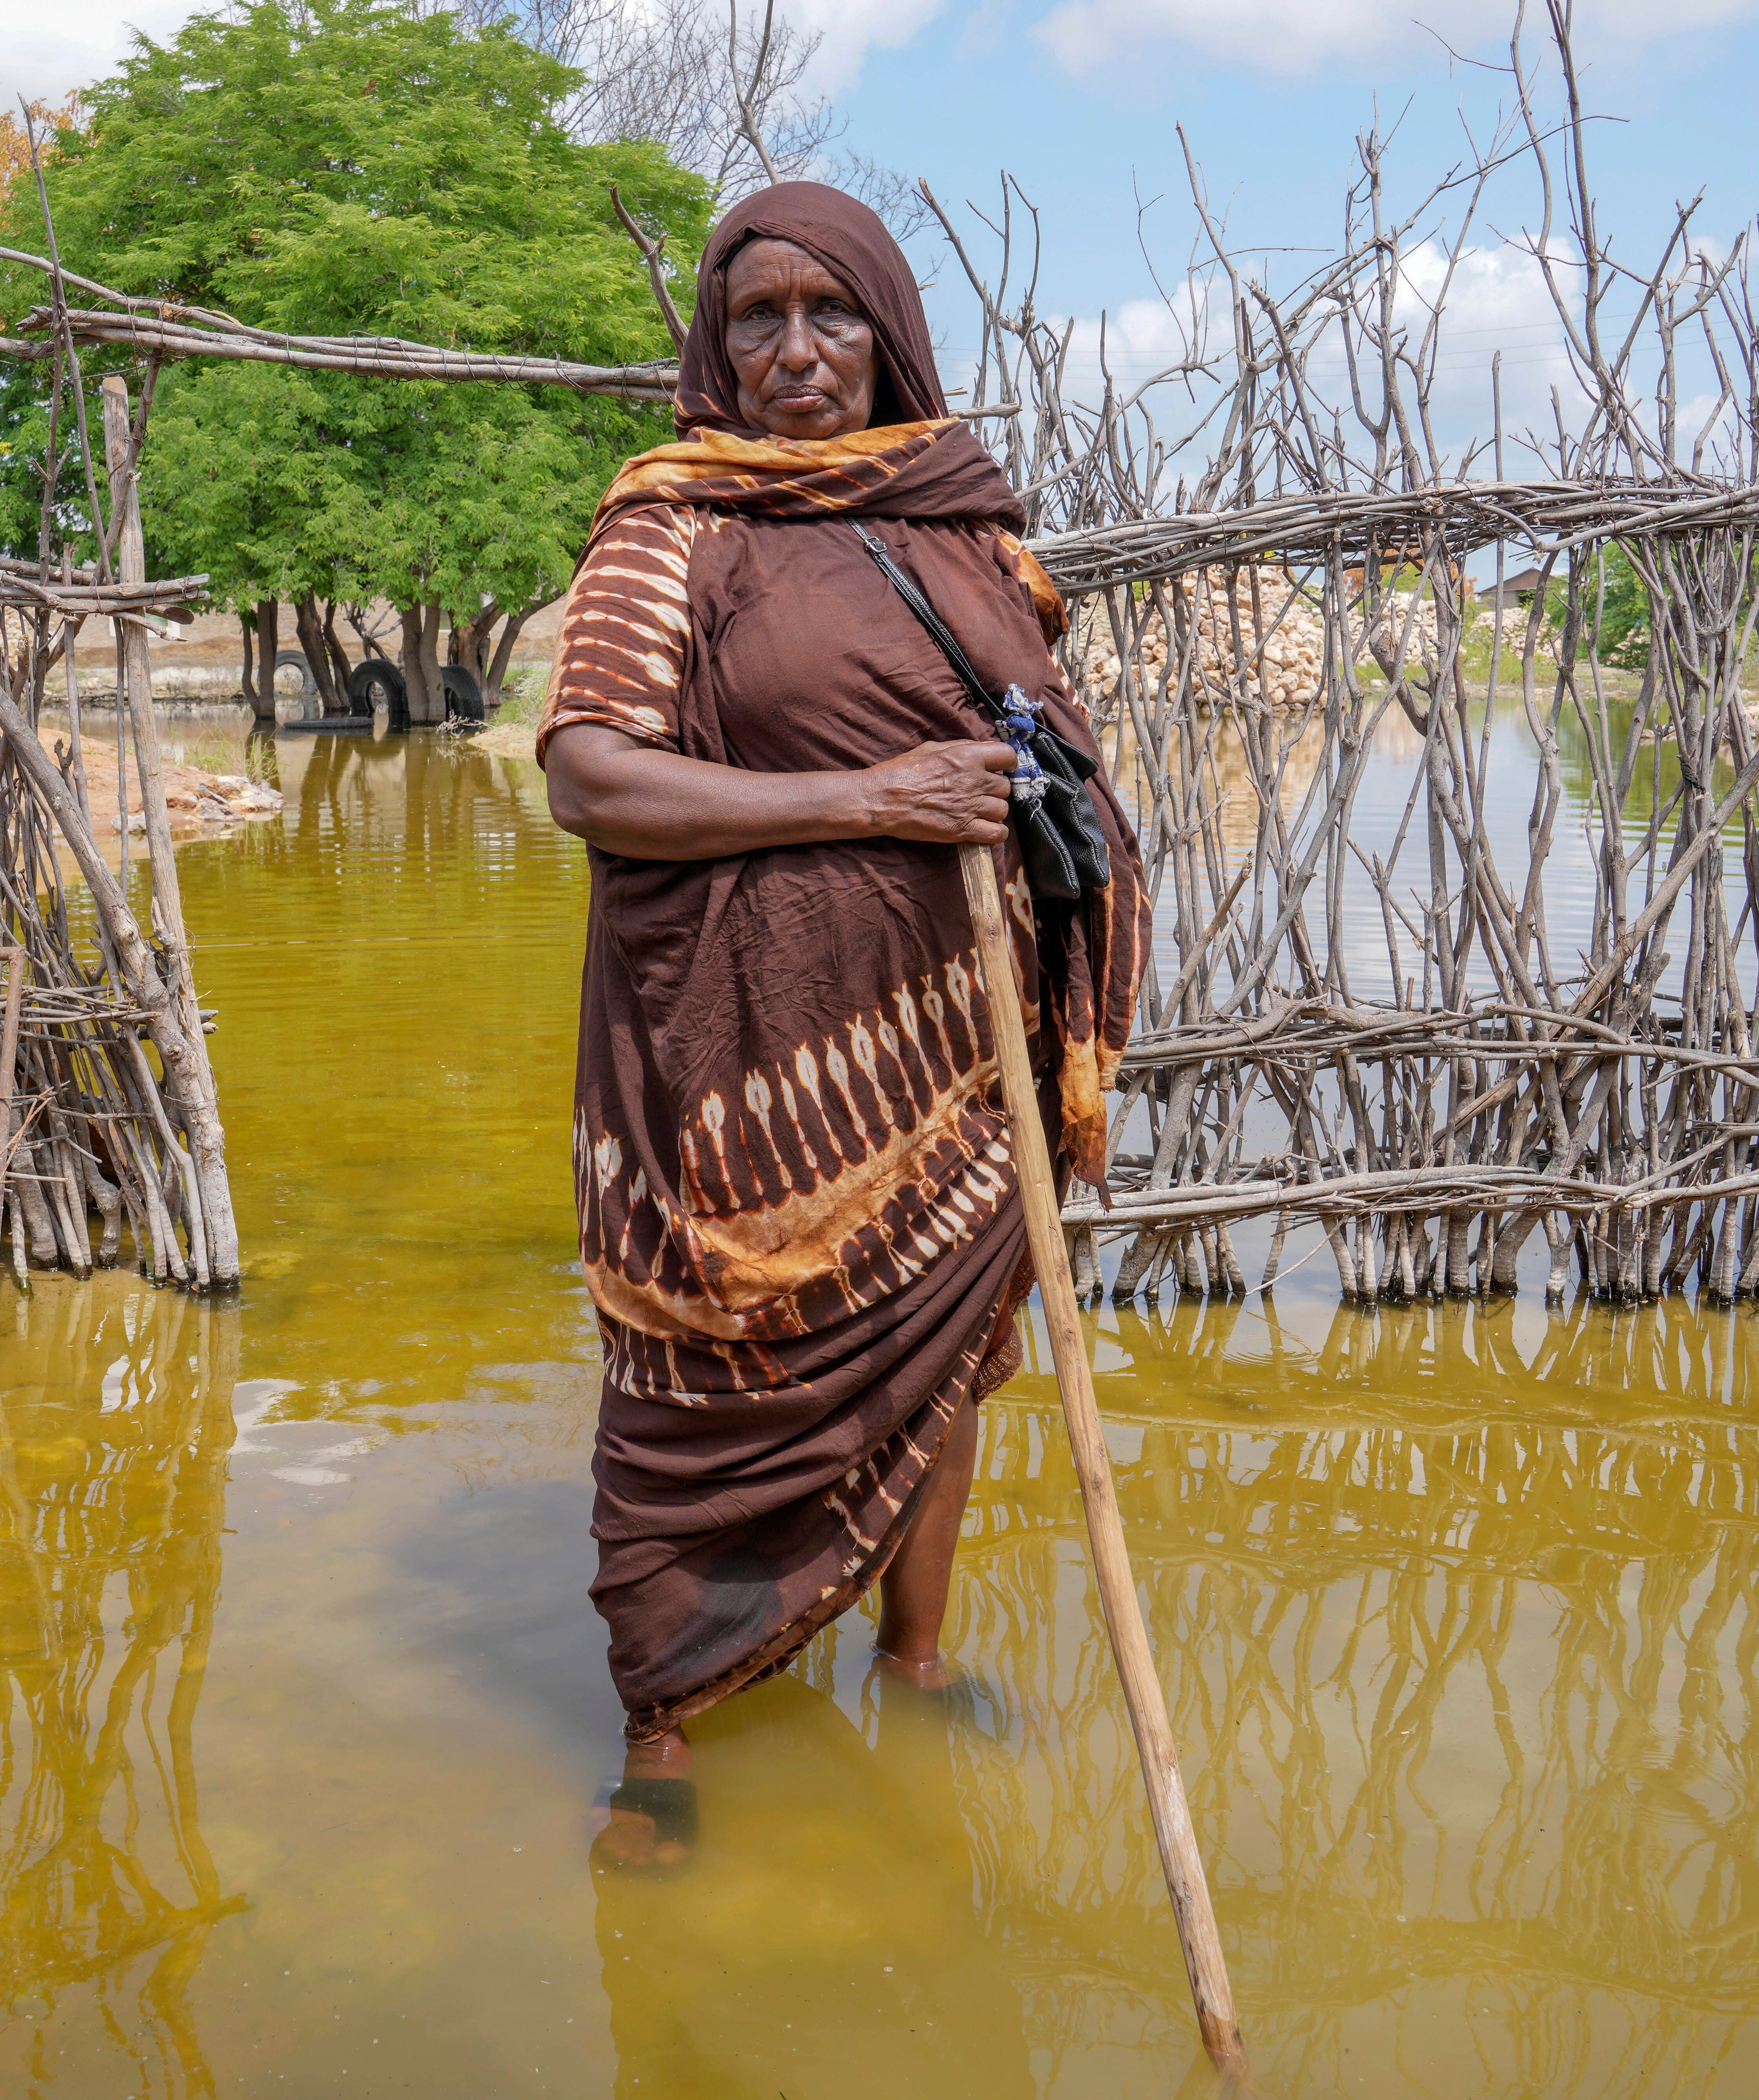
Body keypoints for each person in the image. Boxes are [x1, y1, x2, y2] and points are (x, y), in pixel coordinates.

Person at [538, 182, 1146, 1871]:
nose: (797, 352)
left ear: (888, 332)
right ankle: (662, 1720)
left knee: (939, 1362)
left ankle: (919, 1653)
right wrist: (877, 794)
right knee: (698, 1369)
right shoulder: (673, 526)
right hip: (742, 1065)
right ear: (716, 348)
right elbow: (587, 774)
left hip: (950, 1039)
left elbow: (1043, 743)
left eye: (831, 316)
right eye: (759, 320)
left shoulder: (965, 527)